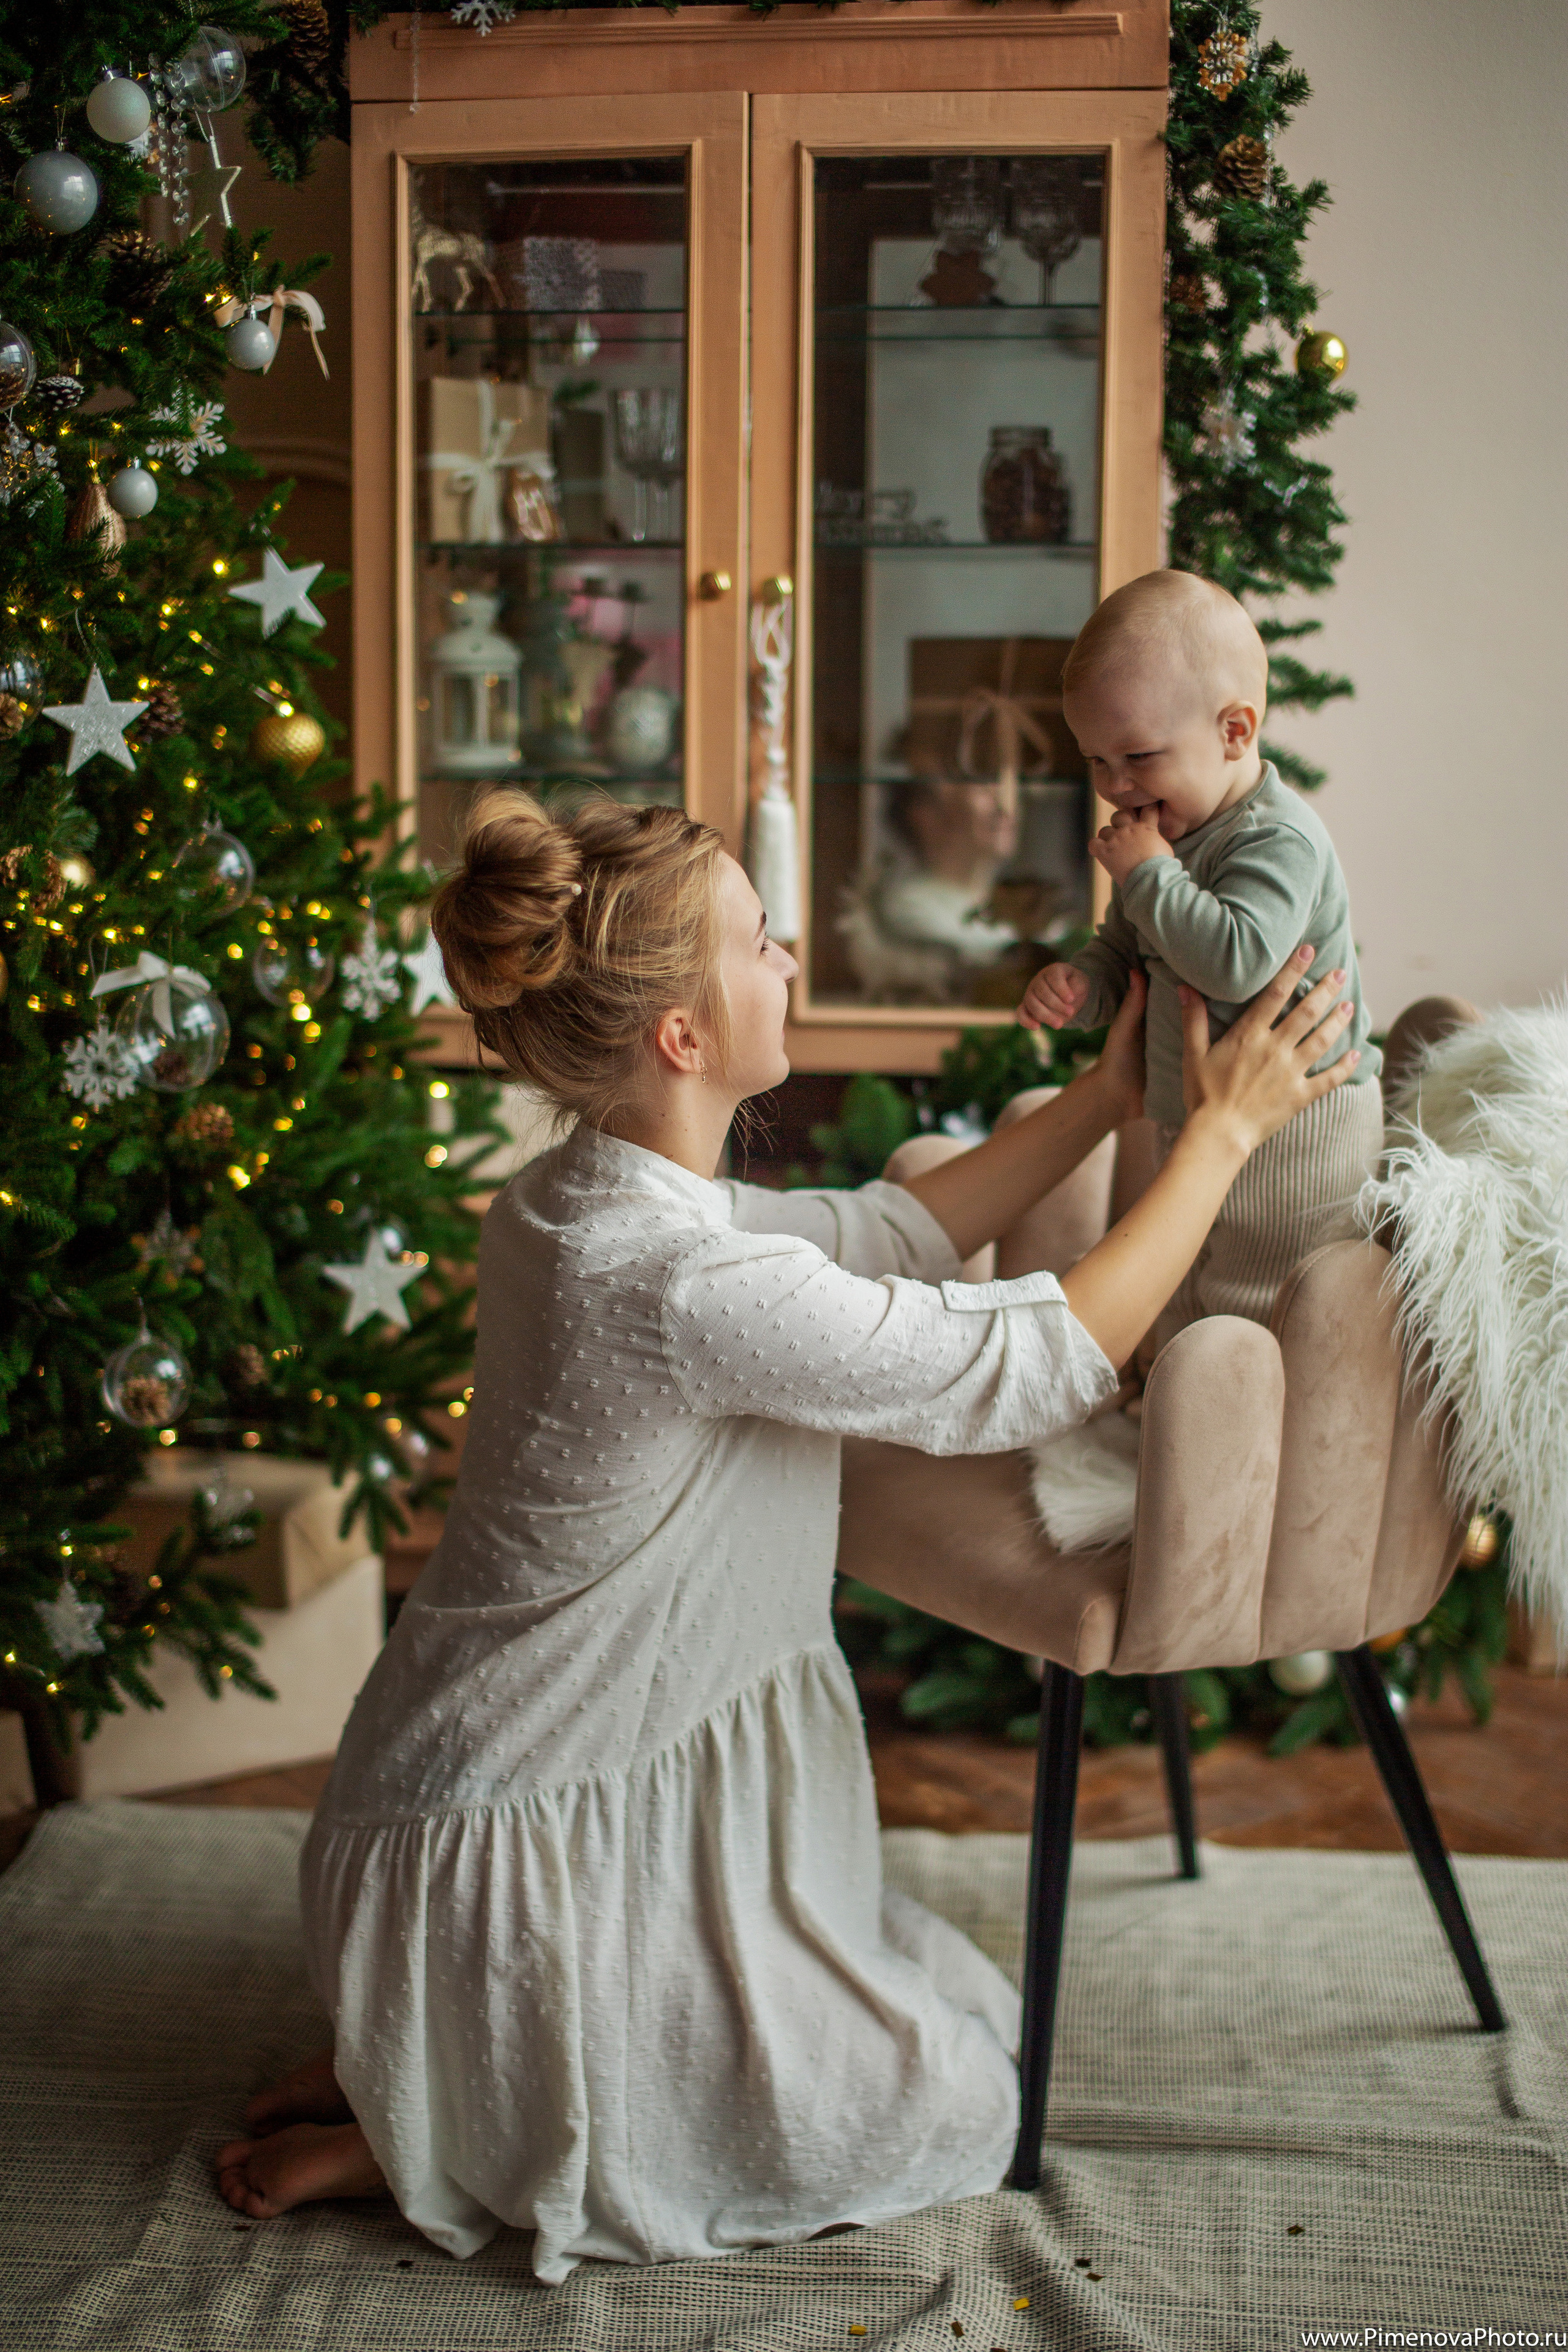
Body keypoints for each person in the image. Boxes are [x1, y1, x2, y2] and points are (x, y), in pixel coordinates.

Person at [215, 788, 1359, 2282]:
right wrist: (1220, 1134)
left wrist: (1103, 1100)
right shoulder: (675, 1282)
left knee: (883, 1996)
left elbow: (873, 1236)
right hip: (499, 1859)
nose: (791, 955)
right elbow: (1032, 1358)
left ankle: (426, 2072)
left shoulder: (578, 1203)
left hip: (441, 1817)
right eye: (761, 941)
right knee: (935, 2099)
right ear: (680, 1035)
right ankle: (439, 2121)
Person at [1019, 568, 1383, 1333]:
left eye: (1140, 757)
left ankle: (1238, 1418)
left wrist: (1149, 873)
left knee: (1258, 1288)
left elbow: (1234, 959)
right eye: (1095, 762)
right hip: (1200, 1106)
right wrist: (1084, 986)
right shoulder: (1167, 837)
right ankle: (1161, 1384)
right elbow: (1128, 946)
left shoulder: (1274, 838)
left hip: (1298, 1120)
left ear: (1235, 732)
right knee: (1182, 1259)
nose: (1116, 787)